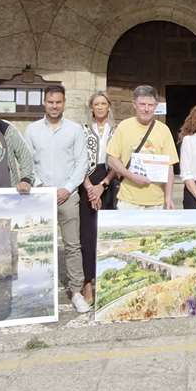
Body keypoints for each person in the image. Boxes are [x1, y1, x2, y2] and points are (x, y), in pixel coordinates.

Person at [25, 85, 90, 313]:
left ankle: (76, 291)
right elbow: (27, 162)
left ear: (64, 103)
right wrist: (41, 186)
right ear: (44, 102)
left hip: (68, 196)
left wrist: (67, 188)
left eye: (58, 102)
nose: (54, 106)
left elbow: (82, 162)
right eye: (51, 102)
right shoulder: (32, 130)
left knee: (72, 245)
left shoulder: (75, 130)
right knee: (40, 245)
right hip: (41, 196)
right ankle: (40, 291)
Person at [107, 85, 179, 210]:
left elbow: (169, 166)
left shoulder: (164, 130)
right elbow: (111, 159)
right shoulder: (124, 126)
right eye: (142, 104)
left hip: (156, 202)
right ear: (134, 104)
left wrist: (168, 197)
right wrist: (132, 176)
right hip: (128, 201)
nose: (146, 109)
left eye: (150, 105)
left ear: (156, 106)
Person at [78, 92, 117, 304]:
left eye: (103, 103)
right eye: (96, 104)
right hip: (86, 181)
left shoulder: (116, 131)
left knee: (106, 232)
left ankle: (106, 281)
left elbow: (120, 160)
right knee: (88, 233)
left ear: (109, 106)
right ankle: (88, 282)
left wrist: (103, 185)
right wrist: (90, 188)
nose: (100, 107)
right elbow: (77, 159)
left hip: (109, 182)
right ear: (91, 108)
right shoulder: (82, 130)